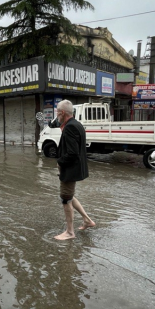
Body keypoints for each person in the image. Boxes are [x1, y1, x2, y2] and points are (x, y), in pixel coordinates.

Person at [54, 100, 95, 241]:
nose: (56, 114)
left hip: (70, 170)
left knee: (66, 198)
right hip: (76, 168)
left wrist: (60, 162)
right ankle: (87, 220)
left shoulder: (70, 127)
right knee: (70, 196)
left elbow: (72, 153)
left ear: (62, 112)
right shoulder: (76, 124)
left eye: (57, 111)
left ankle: (70, 232)